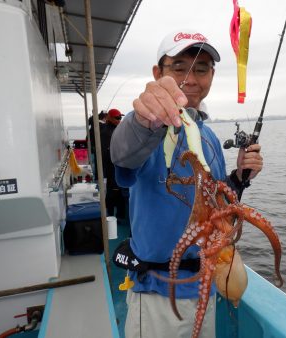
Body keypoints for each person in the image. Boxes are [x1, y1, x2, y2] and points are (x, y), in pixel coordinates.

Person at [110, 29, 263, 338]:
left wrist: (238, 177)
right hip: (157, 294)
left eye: (202, 68)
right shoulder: (148, 126)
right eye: (179, 67)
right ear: (158, 73)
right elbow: (123, 154)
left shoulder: (207, 137)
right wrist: (144, 119)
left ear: (212, 76)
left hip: (204, 287)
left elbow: (216, 207)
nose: (191, 78)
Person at [101, 108, 128, 221]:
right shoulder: (107, 132)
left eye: (120, 117)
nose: (119, 120)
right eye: (117, 118)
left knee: (119, 190)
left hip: (118, 165)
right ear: (110, 118)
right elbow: (109, 152)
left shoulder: (115, 129)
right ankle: (112, 216)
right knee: (113, 192)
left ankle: (119, 216)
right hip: (112, 167)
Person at [87, 110, 106, 181]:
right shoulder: (102, 126)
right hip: (95, 147)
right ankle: (96, 178)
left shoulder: (93, 125)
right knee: (95, 164)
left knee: (93, 163)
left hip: (92, 146)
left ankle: (94, 178)